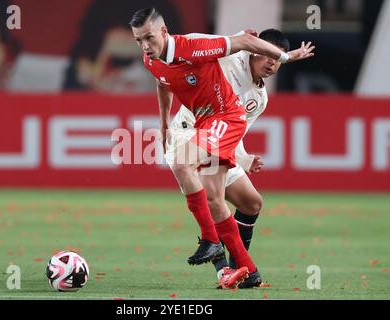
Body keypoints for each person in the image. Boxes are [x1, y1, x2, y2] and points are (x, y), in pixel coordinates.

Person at [130, 7, 309, 289]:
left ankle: (231, 258)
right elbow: (164, 78)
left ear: (162, 33)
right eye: (268, 54)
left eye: (148, 38)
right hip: (190, 132)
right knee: (210, 195)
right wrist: (164, 123)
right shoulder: (230, 57)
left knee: (250, 202)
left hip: (219, 129)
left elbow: (233, 133)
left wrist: (243, 157)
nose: (272, 62)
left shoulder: (258, 99)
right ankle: (226, 265)